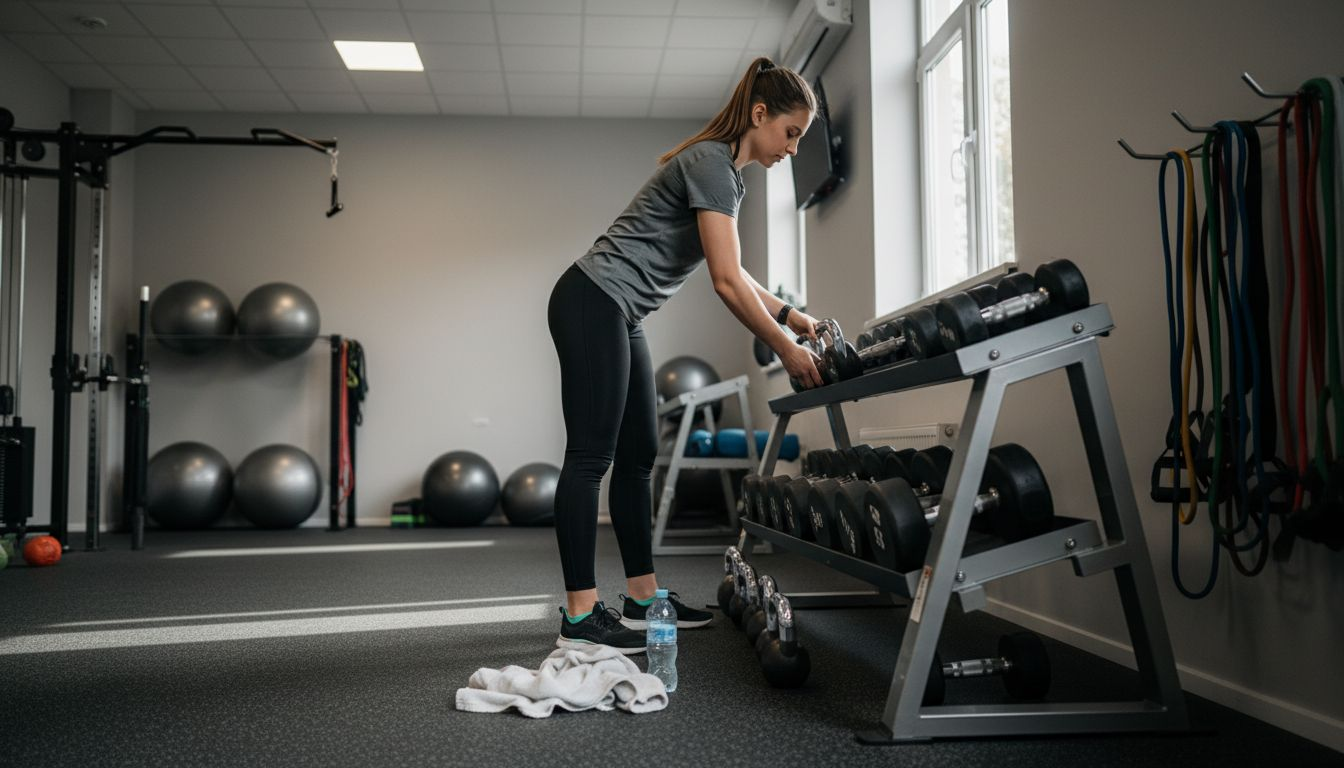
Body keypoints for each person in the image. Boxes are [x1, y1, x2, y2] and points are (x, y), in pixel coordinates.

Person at [547, 57, 824, 654]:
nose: (794, 148)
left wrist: (792, 317)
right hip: (593, 299)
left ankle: (644, 598)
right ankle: (579, 614)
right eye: (791, 132)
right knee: (591, 455)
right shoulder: (712, 164)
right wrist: (788, 350)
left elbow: (737, 270)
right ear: (760, 115)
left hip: (619, 310)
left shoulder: (725, 173)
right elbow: (724, 282)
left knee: (640, 451)